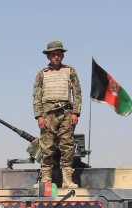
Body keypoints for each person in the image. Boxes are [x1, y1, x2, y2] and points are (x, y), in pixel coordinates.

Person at [33, 40, 82, 189]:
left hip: (66, 113)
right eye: (53, 54)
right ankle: (46, 180)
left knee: (67, 146)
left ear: (62, 56)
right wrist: (39, 116)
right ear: (48, 56)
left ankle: (67, 180)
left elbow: (77, 93)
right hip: (48, 114)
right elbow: (36, 96)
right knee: (46, 148)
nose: (56, 57)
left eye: (58, 54)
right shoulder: (42, 74)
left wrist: (76, 112)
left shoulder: (70, 71)